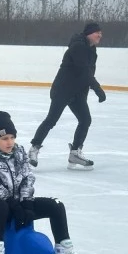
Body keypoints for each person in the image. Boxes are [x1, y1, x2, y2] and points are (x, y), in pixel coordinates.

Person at [0, 110, 87, 254]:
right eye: (4, 139)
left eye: (12, 137)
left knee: (56, 205)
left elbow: (27, 177)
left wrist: (26, 204)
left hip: (19, 202)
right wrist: (14, 205)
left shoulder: (19, 152)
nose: (10, 142)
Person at [28, 22, 106, 169]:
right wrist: (97, 89)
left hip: (78, 92)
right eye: (98, 32)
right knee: (52, 119)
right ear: (89, 33)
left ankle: (75, 153)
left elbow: (88, 73)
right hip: (63, 90)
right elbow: (84, 71)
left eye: (101, 33)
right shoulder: (78, 47)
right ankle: (34, 149)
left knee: (85, 120)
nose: (100, 35)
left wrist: (87, 90)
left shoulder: (92, 49)